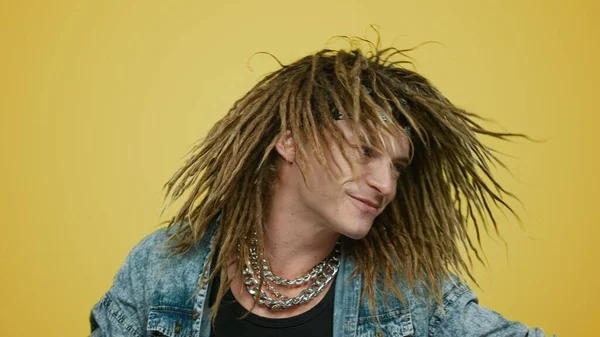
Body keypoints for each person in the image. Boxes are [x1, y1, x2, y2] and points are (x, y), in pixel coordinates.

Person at [89, 40, 554, 336]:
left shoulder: (409, 293)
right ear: (290, 140)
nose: (385, 183)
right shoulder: (162, 267)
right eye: (366, 151)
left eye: (397, 166)